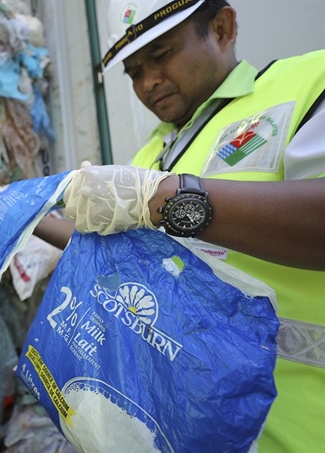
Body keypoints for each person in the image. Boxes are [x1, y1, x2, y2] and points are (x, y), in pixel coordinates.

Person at [34, 0, 325, 451]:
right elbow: (112, 245)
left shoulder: (306, 84)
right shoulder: (150, 154)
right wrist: (30, 218)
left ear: (223, 28)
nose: (148, 81)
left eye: (162, 54)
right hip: (175, 424)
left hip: (291, 425)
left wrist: (166, 200)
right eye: (133, 72)